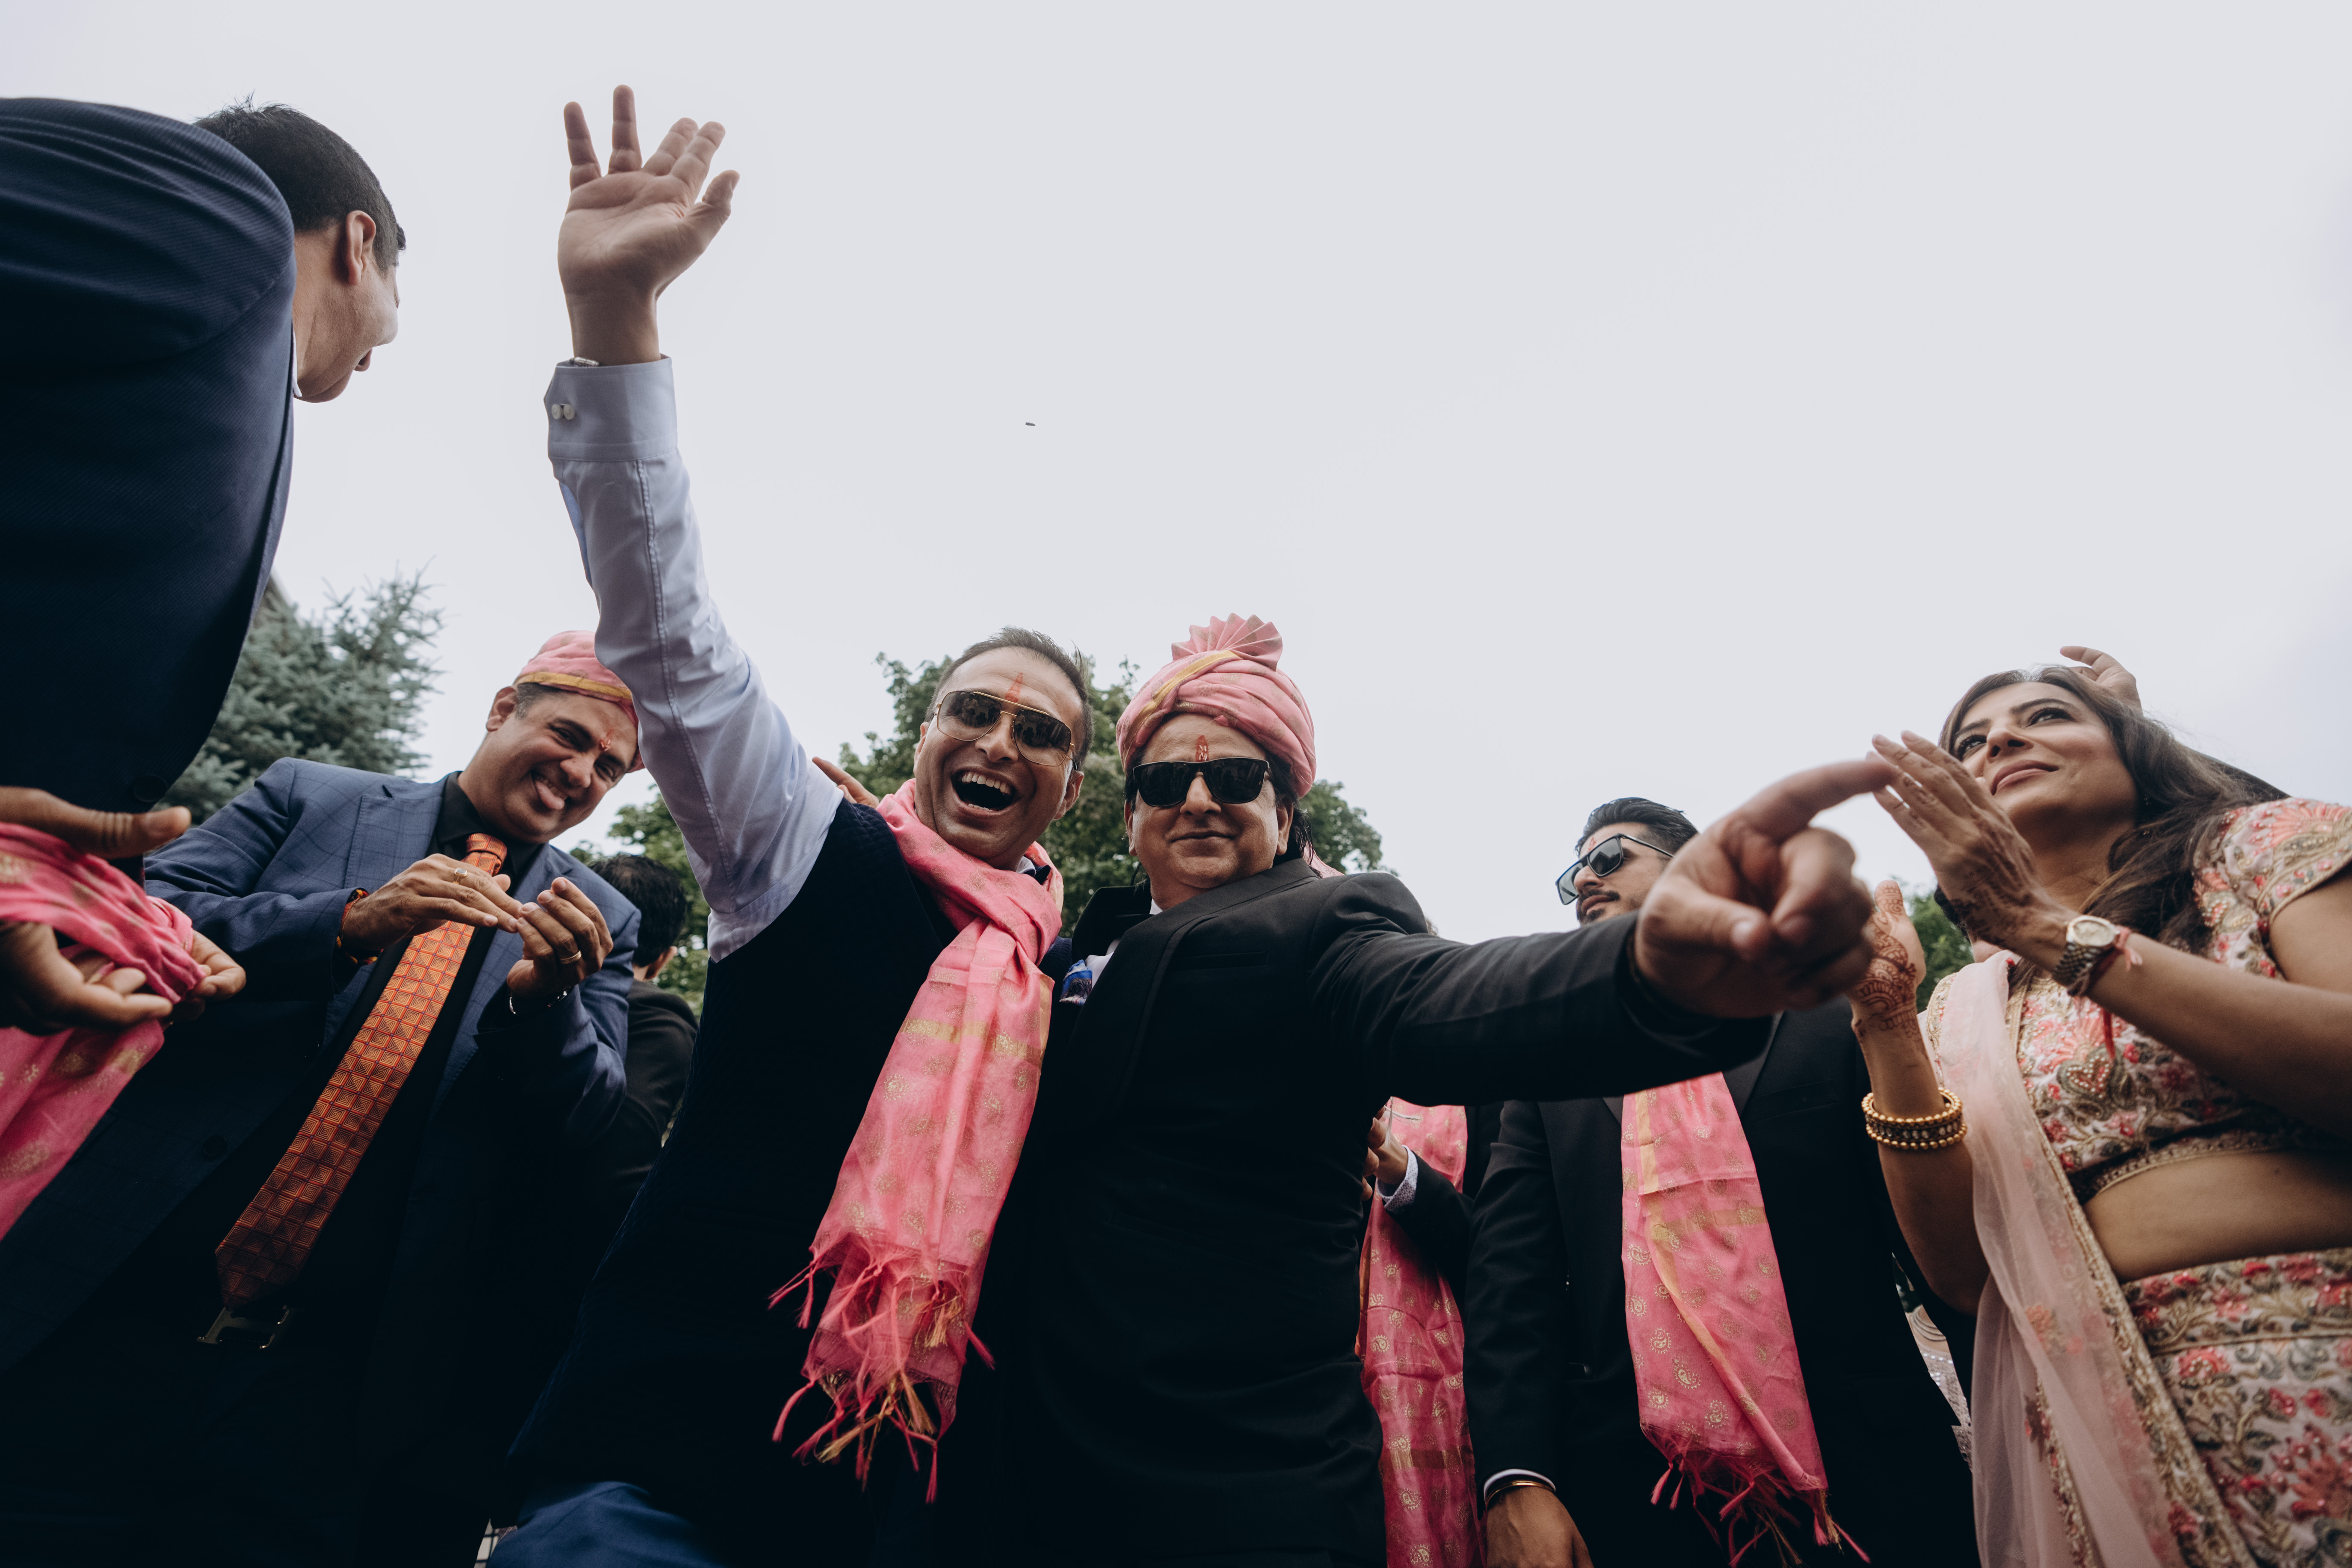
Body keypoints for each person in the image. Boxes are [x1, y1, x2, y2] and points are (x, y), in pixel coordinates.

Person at [924, 616, 1899, 1568]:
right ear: (1129, 811)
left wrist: (1651, 971)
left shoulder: (1323, 930)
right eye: (1165, 781)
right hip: (1020, 1488)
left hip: (1238, 1499)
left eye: (1236, 778)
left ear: (1284, 811)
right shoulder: (1036, 954)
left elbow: (1450, 997)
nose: (1199, 801)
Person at [494, 87, 1096, 1565]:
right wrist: (615, 320)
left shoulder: (1056, 991)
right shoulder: (799, 847)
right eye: (972, 709)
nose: (998, 740)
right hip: (658, 1482)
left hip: (900, 1517)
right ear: (924, 734)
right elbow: (668, 631)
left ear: (1066, 793)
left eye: (1039, 732)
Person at [0, 634, 641, 1566]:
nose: (581, 773)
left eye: (610, 767)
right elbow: (150, 915)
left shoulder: (600, 920)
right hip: (101, 1314)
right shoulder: (310, 796)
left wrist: (539, 1007)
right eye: (570, 736)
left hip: (313, 1400)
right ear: (503, 709)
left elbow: (589, 1117)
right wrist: (347, 923)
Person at [1852, 662, 2352, 1568]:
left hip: (2319, 1344)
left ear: (2135, 751)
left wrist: (2041, 925)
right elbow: (1962, 1275)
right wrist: (1886, 1023)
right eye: (1972, 743)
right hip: (2100, 1426)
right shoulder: (1968, 1005)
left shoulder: (2258, 848)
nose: (2002, 740)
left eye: (2046, 715)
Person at [1467, 798, 1976, 1568]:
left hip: (1871, 1474)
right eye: (1572, 875)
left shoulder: (1828, 1009)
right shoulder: (1552, 1063)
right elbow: (1513, 1279)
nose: (1584, 881)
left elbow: (1930, 1243)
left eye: (1608, 857)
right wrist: (1515, 1477)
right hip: (1640, 1496)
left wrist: (2015, 1414)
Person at [0, 95, 402, 1030]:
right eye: (396, 300)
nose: (377, 355)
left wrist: (101, 901)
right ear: (358, 244)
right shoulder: (222, 211)